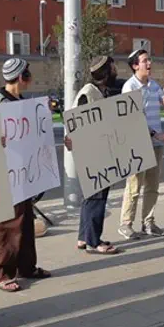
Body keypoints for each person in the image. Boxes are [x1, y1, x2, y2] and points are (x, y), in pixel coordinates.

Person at [0, 58, 51, 293]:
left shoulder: (20, 103)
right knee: (5, 225)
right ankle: (2, 273)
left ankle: (26, 267)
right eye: (28, 75)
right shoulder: (0, 105)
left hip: (24, 172)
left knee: (24, 221)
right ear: (20, 77)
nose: (30, 79)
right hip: (7, 173)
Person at [65, 56, 120, 254]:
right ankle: (94, 241)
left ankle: (83, 237)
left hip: (101, 151)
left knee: (91, 197)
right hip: (92, 154)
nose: (116, 72)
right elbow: (75, 119)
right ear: (105, 73)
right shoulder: (88, 93)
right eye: (113, 68)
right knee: (97, 198)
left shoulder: (101, 92)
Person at [117, 50, 164, 239]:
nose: (149, 63)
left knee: (152, 186)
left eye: (150, 59)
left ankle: (148, 223)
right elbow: (134, 119)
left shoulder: (154, 85)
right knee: (134, 186)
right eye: (145, 60)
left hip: (156, 145)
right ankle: (126, 224)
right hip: (137, 144)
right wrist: (157, 135)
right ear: (135, 65)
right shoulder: (130, 87)